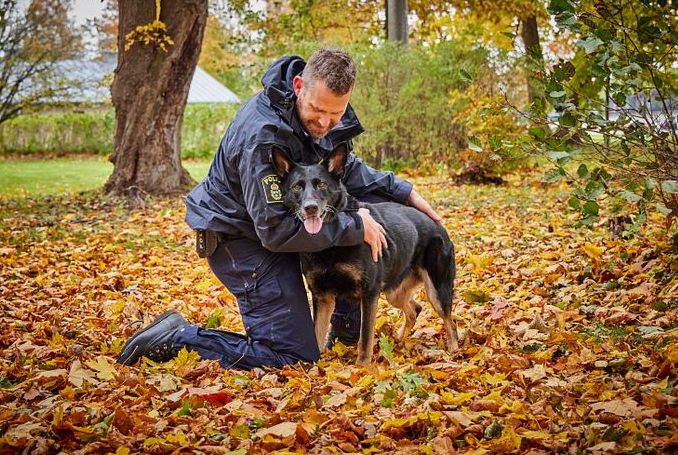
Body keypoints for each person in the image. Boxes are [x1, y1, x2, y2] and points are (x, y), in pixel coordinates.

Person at [117, 48, 440, 369]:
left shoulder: (315, 117)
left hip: (278, 230)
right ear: (298, 86)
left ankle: (345, 335)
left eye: (336, 114)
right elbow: (274, 230)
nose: (326, 122)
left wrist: (404, 192)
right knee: (292, 355)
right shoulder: (262, 136)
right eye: (317, 110)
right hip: (239, 239)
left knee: (354, 214)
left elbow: (344, 170)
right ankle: (178, 338)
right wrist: (355, 225)